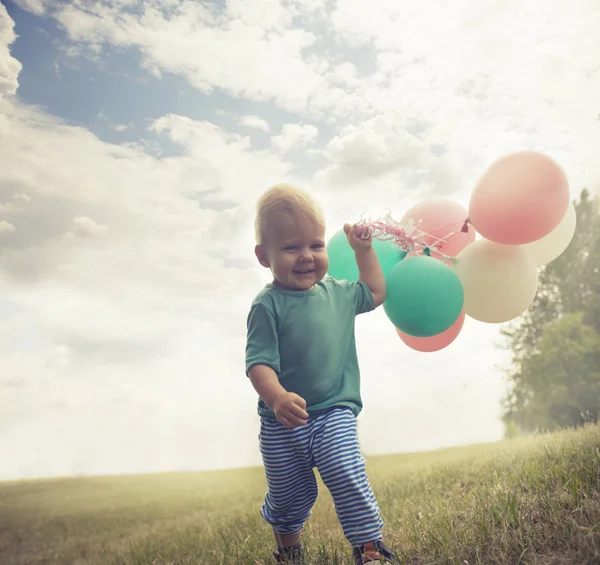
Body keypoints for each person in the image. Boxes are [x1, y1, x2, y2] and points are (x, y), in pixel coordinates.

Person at [245, 183, 396, 564]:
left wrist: (364, 252)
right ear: (264, 256)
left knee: (346, 471)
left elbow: (376, 292)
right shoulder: (267, 305)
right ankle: (289, 550)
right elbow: (258, 363)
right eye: (291, 247)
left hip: (333, 412)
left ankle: (369, 548)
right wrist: (276, 398)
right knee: (288, 498)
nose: (306, 256)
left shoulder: (339, 294)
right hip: (283, 425)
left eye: (315, 244)